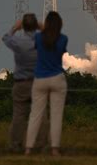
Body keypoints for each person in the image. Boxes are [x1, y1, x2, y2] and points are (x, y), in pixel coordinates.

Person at [2, 14, 48, 152]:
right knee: (41, 116)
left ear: (23, 26)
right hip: (39, 83)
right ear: (36, 26)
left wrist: (14, 28)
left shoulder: (18, 42)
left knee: (19, 116)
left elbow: (5, 38)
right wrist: (43, 27)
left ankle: (15, 145)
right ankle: (41, 145)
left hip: (21, 83)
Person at [25, 11, 68, 157]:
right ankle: (55, 149)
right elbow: (58, 45)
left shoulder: (38, 37)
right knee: (56, 116)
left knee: (35, 115)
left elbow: (41, 35)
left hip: (40, 79)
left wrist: (44, 27)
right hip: (57, 78)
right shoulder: (63, 39)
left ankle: (28, 149)